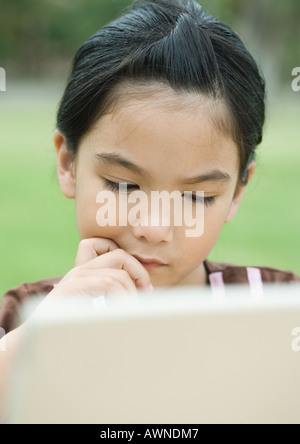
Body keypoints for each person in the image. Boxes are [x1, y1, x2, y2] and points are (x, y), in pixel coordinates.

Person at [0, 0, 299, 404]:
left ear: (237, 192)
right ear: (68, 162)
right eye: (123, 186)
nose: (155, 226)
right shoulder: (24, 318)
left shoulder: (279, 311)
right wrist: (38, 344)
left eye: (197, 197)